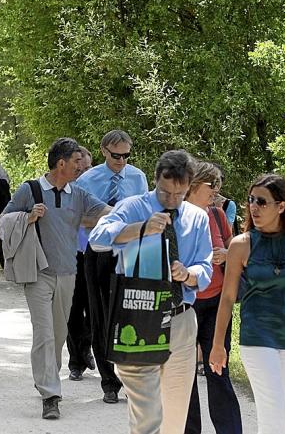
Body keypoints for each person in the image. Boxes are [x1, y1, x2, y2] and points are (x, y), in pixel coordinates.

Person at [89, 150, 213, 434]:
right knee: (148, 416)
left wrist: (189, 274)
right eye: (165, 191)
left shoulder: (197, 218)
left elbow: (205, 267)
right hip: (137, 317)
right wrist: (139, 229)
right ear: (156, 179)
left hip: (181, 321)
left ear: (189, 187)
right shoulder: (132, 206)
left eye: (179, 194)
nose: (171, 199)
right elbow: (97, 239)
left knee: (174, 418)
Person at [209, 173, 285, 434]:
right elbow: (228, 298)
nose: (254, 206)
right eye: (251, 200)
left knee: (284, 411)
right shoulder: (242, 245)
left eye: (262, 201)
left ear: (281, 206)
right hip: (257, 338)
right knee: (272, 411)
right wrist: (218, 345)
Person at [0, 138, 108, 420]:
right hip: (37, 272)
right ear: (61, 163)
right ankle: (51, 394)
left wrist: (141, 213)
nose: (80, 167)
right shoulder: (30, 190)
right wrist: (28, 217)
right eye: (76, 162)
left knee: (59, 335)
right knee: (45, 333)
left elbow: (106, 212)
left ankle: (48, 378)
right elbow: (2, 222)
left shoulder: (79, 194)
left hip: (67, 273)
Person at [75, 129, 149, 403]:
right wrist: (110, 219)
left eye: (126, 155)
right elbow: (78, 217)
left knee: (129, 315)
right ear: (104, 151)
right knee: (101, 315)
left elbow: (145, 212)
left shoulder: (137, 177)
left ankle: (130, 376)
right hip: (99, 251)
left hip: (130, 252)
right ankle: (109, 381)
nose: (121, 160)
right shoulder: (88, 179)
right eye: (116, 155)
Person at [184, 162, 241, 434]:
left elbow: (234, 249)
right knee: (186, 378)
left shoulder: (218, 215)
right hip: (185, 304)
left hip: (217, 302)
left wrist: (227, 255)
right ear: (194, 185)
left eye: (219, 186)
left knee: (219, 370)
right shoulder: (175, 215)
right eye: (212, 186)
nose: (217, 192)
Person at [65, 146, 95, 382]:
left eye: (87, 168)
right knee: (74, 309)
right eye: (79, 168)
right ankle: (76, 361)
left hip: (96, 252)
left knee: (95, 308)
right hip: (72, 253)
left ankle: (87, 344)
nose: (83, 172)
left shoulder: (96, 186)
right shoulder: (66, 188)